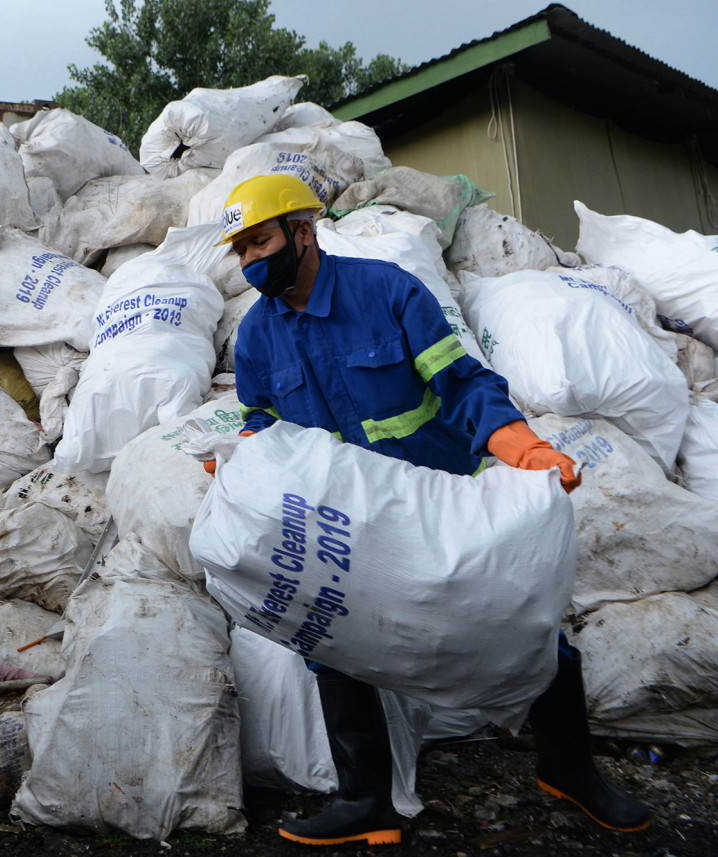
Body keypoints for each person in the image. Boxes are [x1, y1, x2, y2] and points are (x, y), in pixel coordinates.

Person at [218, 175, 650, 846]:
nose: (250, 261)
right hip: (352, 525)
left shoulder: (387, 292)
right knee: (329, 640)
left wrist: (520, 444)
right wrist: (240, 471)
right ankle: (367, 801)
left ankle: (570, 770)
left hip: (440, 502)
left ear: (304, 232)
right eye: (240, 250)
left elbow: (460, 381)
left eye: (260, 242)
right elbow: (264, 433)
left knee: (521, 623)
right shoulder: (255, 339)